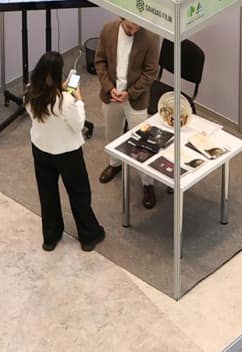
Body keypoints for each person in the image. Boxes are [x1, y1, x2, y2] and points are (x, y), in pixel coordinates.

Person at [24, 50, 105, 253]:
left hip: (41, 150)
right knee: (79, 193)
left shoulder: (29, 93)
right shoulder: (65, 101)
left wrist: (61, 90)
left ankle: (50, 237)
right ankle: (89, 236)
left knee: (47, 194)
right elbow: (78, 125)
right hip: (67, 153)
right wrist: (79, 99)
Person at [92, 15, 162, 209]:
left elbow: (150, 72)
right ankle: (115, 164)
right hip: (112, 95)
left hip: (135, 97)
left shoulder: (150, 37)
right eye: (129, 27)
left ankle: (147, 182)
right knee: (112, 134)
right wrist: (109, 88)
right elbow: (100, 62)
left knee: (143, 142)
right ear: (121, 18)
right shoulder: (108, 30)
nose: (133, 30)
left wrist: (130, 93)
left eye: (136, 27)